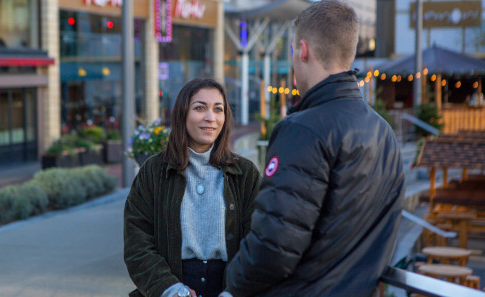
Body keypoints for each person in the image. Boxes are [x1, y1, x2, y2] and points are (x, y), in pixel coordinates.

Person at [222, 1, 405, 296]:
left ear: (302, 50)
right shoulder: (383, 131)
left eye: (293, 49)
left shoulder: (302, 129)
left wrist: (230, 283)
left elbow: (272, 249)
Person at [124, 78, 262, 297]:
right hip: (173, 285)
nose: (210, 118)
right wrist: (168, 288)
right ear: (182, 114)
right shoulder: (154, 171)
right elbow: (136, 243)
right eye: (200, 108)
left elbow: (257, 242)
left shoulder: (245, 174)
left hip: (228, 286)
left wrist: (235, 291)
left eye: (218, 109)